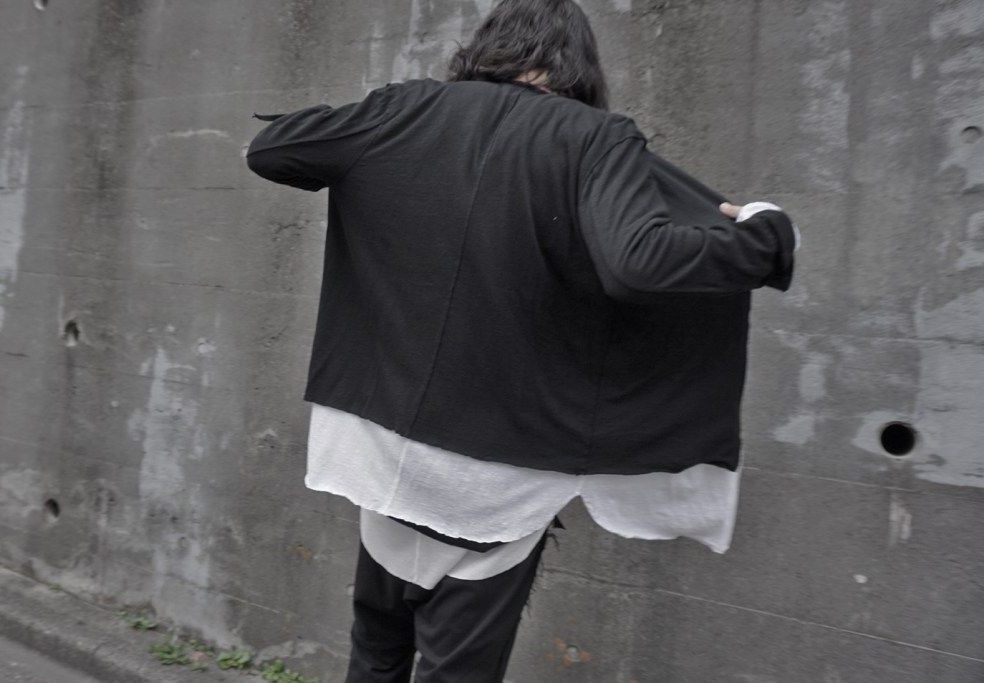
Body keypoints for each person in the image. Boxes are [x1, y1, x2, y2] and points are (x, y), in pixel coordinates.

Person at [246, 0, 796, 680]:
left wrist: (389, 118)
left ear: (487, 47)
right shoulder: (595, 137)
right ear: (578, 63)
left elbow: (273, 149)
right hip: (499, 469)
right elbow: (641, 263)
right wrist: (766, 236)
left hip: (384, 445)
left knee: (377, 646)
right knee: (458, 666)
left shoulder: (408, 109)